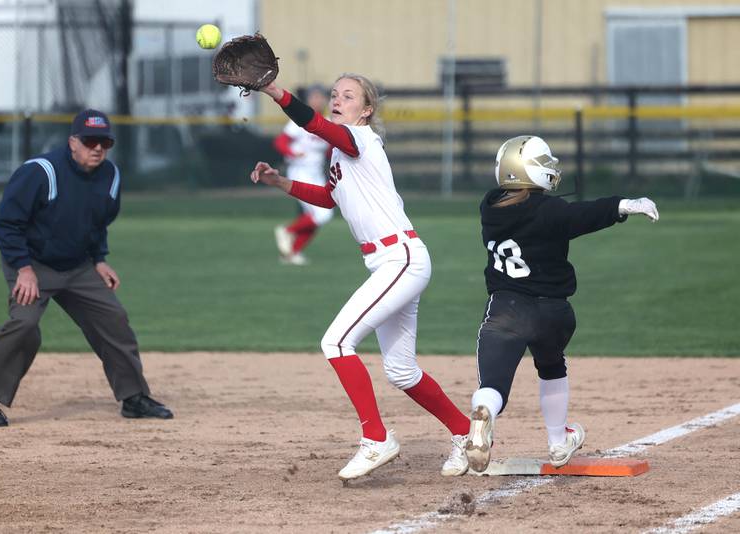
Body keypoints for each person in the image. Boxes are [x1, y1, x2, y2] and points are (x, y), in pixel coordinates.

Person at [250, 74, 473, 480]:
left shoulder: (361, 139)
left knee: (336, 341)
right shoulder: (342, 153)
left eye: (348, 96)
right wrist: (279, 181)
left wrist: (272, 91)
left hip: (399, 258)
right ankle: (465, 432)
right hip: (390, 261)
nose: (338, 100)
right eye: (334, 94)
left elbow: (312, 123)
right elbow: (327, 197)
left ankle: (376, 438)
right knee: (402, 371)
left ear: (366, 110)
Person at [0, 109, 173, 427]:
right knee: (24, 324)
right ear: (73, 142)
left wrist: (100, 259)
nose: (98, 149)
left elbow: (96, 224)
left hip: (77, 266)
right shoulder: (41, 171)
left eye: (105, 142)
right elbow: (7, 223)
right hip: (31, 262)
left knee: (113, 320)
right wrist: (23, 269)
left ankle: (134, 398)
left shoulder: (110, 175)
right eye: (90, 141)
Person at [466, 135, 659, 472]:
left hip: (505, 309)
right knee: (552, 366)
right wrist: (624, 205)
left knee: (493, 384)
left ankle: (484, 413)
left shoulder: (489, 208)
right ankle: (557, 442)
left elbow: (540, 209)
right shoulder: (551, 210)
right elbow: (585, 215)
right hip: (553, 310)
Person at [272, 85, 333, 266]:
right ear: (308, 100)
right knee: (322, 214)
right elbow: (280, 142)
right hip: (299, 171)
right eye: (314, 96)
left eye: (321, 97)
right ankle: (287, 230)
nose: (317, 100)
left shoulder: (328, 121)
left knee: (316, 217)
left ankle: (291, 254)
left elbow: (330, 150)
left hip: (316, 173)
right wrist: (292, 153)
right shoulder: (300, 119)